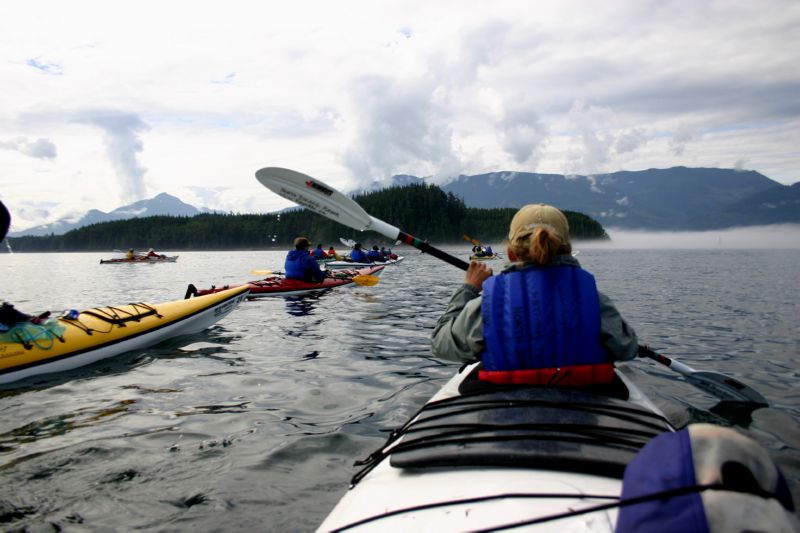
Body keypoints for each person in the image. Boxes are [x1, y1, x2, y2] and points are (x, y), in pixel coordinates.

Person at [432, 203, 637, 386]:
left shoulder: (487, 305)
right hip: (581, 409)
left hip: (505, 414)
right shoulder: (595, 301)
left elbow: (441, 345)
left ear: (511, 252)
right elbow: (626, 348)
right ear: (567, 250)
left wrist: (469, 289)